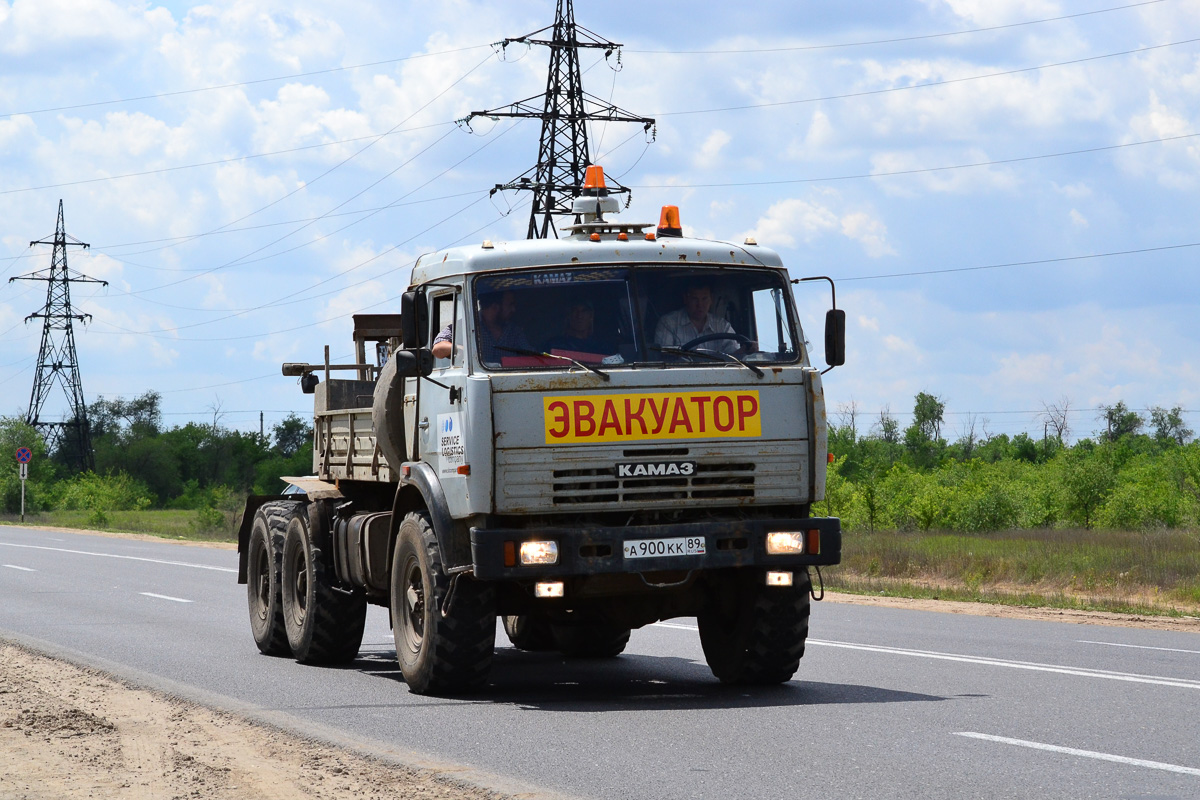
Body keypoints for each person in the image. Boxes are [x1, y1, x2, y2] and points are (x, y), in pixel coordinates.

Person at [654, 282, 755, 356]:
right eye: (695, 299)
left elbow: (734, 357)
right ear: (686, 299)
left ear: (711, 299)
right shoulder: (668, 323)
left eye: (704, 299)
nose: (700, 305)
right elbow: (663, 360)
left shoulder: (722, 326)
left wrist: (747, 350)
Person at [544, 299, 613, 356]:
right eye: (575, 310)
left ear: (591, 316)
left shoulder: (601, 347)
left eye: (584, 311)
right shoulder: (554, 345)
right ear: (568, 315)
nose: (579, 316)